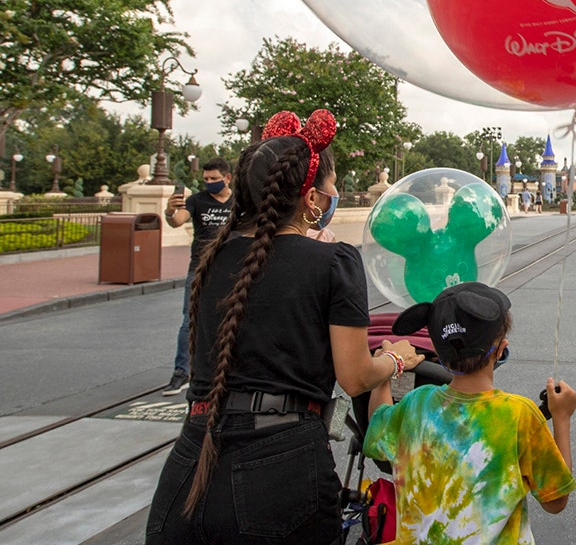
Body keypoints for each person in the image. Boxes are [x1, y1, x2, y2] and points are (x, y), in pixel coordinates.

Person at [146, 110, 424, 545]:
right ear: (311, 198)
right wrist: (395, 359)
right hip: (279, 470)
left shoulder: (213, 258)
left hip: (188, 469)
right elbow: (354, 376)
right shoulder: (334, 261)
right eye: (332, 187)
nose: (334, 195)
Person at [364, 282, 576, 543]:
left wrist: (386, 369)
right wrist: (562, 418)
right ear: (501, 349)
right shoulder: (518, 414)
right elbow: (555, 501)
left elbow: (378, 428)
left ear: (439, 355)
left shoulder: (415, 404)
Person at [161, 157, 235, 396]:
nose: (209, 183)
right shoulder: (196, 201)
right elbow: (176, 221)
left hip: (231, 266)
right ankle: (181, 372)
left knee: (231, 317)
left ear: (227, 178)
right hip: (200, 267)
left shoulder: (239, 202)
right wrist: (170, 210)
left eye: (214, 179)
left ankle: (228, 369)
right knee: (190, 320)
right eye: (205, 179)